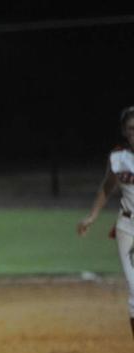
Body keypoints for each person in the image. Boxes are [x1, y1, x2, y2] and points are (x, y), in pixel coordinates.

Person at [77, 105, 134, 339]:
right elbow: (108, 186)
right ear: (123, 131)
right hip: (128, 228)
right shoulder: (118, 157)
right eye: (131, 128)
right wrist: (92, 216)